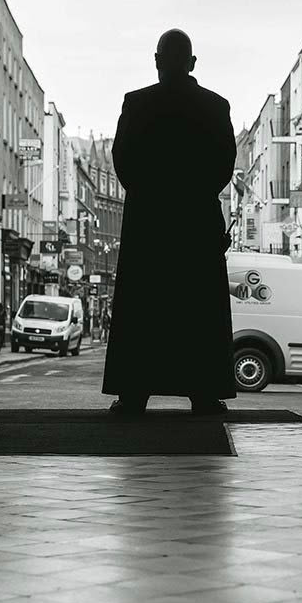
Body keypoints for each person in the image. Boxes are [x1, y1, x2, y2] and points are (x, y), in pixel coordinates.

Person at [103, 29, 237, 415]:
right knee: (198, 308)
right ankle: (204, 391)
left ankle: (133, 393)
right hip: (195, 220)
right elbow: (223, 165)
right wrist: (195, 194)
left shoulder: (137, 103)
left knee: (144, 307)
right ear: (191, 63)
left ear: (157, 60)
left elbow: (122, 159)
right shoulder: (215, 106)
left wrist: (149, 195)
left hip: (149, 221)